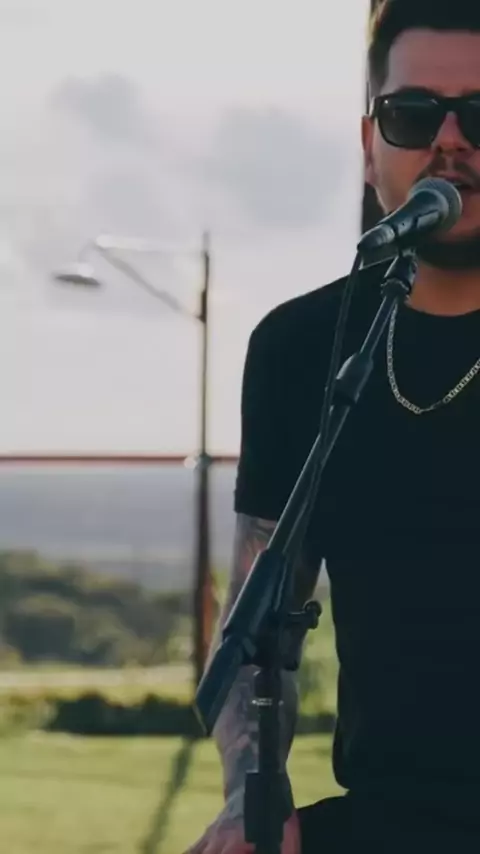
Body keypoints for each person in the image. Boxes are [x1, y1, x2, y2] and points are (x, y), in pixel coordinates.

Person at [185, 2, 480, 851]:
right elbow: (257, 622)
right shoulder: (302, 347)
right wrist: (251, 801)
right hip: (391, 817)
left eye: (479, 114)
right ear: (369, 144)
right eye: (413, 113)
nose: (448, 140)